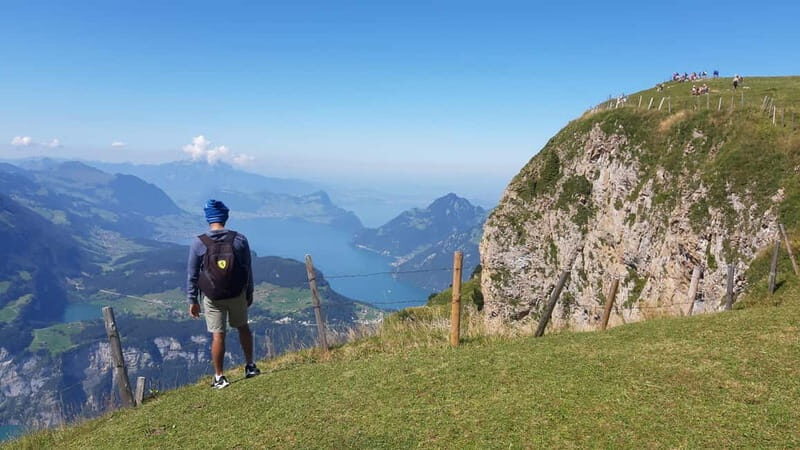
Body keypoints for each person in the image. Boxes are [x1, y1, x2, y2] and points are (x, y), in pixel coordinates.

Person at [187, 199, 260, 389]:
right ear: (225, 217)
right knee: (243, 327)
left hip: (212, 297)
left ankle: (220, 377)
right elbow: (247, 269)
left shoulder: (198, 243)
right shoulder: (240, 239)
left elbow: (192, 274)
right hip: (237, 293)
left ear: (208, 218)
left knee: (218, 336)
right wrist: (249, 292)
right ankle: (250, 366)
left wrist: (192, 300)